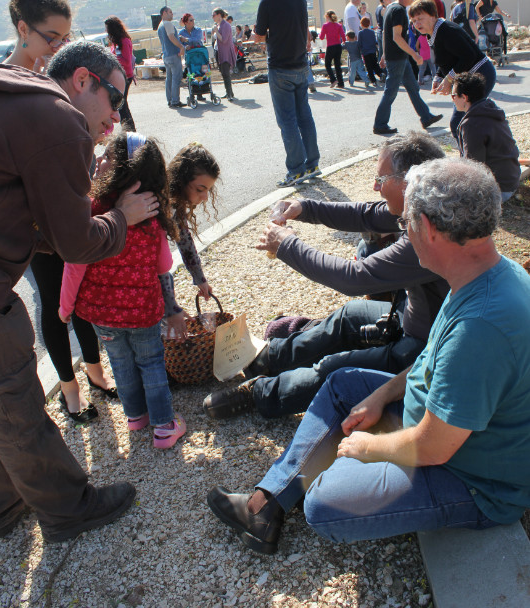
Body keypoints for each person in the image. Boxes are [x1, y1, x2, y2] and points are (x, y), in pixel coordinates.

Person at [207, 158, 530, 555]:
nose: (401, 233)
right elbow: (432, 357)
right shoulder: (487, 272)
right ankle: (264, 506)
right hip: (447, 431)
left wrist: (367, 448)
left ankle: (284, 497)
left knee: (324, 505)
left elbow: (434, 447)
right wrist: (383, 395)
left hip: (476, 480)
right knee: (345, 383)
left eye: (406, 223)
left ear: (426, 228)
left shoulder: (479, 328)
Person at [0, 36, 160, 543]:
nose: (116, 118)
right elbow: (75, 245)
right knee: (16, 406)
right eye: (115, 99)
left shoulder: (20, 84)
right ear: (83, 81)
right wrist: (121, 215)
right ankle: (69, 510)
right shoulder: (62, 117)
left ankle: (6, 506)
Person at [203, 131, 449, 421]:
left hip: (425, 349)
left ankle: (260, 393)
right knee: (347, 317)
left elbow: (355, 278)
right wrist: (305, 208)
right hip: (409, 315)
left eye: (381, 180)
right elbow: (365, 215)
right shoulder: (429, 204)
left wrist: (286, 245)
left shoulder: (430, 233)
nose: (374, 186)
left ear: (410, 181)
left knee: (336, 368)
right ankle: (269, 358)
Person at [3, 0, 114, 424]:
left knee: (79, 294)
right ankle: (70, 390)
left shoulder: (51, 80)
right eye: (52, 37)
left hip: (66, 208)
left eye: (64, 39)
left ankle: (93, 372)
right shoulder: (12, 89)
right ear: (22, 29)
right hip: (35, 225)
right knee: (53, 301)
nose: (57, 48)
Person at [59, 132, 186, 450]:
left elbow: (74, 266)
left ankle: (136, 418)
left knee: (120, 363)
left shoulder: (92, 211)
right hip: (142, 311)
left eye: (105, 155)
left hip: (101, 313)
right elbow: (163, 264)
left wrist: (64, 308)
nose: (98, 159)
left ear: (117, 169)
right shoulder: (151, 215)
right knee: (151, 363)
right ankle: (163, 427)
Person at [252, 0, 320, 188]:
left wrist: (259, 37)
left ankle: (296, 169)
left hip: (280, 68)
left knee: (287, 121)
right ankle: (312, 164)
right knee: (305, 117)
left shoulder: (267, 3)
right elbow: (304, 31)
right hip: (301, 65)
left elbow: (259, 37)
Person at [409, 0, 497, 138]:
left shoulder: (446, 30)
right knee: (463, 123)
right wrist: (438, 77)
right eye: (413, 20)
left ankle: (478, 155)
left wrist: (449, 78)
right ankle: (480, 153)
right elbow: (446, 59)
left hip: (479, 74)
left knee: (460, 123)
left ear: (432, 16)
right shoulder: (434, 32)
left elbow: (468, 56)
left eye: (420, 18)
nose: (416, 23)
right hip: (468, 79)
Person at [373, 0, 443, 136]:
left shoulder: (392, 8)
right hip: (398, 58)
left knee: (412, 87)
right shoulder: (398, 10)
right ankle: (380, 124)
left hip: (398, 57)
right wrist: (415, 54)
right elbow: (397, 37)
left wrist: (384, 54)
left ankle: (426, 117)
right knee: (391, 91)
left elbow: (387, 35)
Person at [166, 143, 221, 327]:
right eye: (200, 189)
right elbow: (156, 264)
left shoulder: (175, 203)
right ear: (181, 180)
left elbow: (185, 240)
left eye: (208, 190)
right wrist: (170, 307)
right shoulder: (157, 207)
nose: (205, 197)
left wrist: (200, 278)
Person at [452, 73, 520, 200]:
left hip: (498, 190)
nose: (452, 99)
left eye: (454, 95)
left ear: (464, 97)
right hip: (511, 179)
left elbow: (473, 166)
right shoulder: (490, 110)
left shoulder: (472, 124)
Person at [105, 15, 136, 131]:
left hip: (126, 76)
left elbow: (127, 61)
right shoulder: (115, 42)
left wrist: (112, 59)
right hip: (119, 75)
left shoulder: (124, 41)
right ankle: (128, 129)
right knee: (122, 105)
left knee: (122, 105)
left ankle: (129, 130)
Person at [157, 6, 185, 109]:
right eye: (170, 12)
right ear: (164, 13)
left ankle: (170, 100)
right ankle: (175, 100)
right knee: (176, 78)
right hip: (173, 55)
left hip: (166, 55)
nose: (172, 14)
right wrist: (181, 46)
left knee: (169, 79)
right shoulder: (168, 23)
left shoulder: (160, 25)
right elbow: (171, 37)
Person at [212, 7, 236, 101]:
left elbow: (224, 39)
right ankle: (229, 92)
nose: (212, 17)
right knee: (223, 72)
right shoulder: (218, 25)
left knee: (226, 73)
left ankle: (229, 94)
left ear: (219, 15)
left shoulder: (225, 25)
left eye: (213, 15)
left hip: (225, 52)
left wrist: (216, 31)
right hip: (219, 51)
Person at [319, 10, 346, 88]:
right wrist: (344, 41)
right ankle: (341, 83)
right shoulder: (339, 25)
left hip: (330, 46)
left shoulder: (325, 26)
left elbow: (321, 37)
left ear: (327, 17)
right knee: (337, 65)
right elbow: (343, 35)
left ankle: (333, 79)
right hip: (338, 46)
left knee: (327, 64)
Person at [358, 17, 383, 84]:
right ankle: (380, 73)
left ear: (361, 24)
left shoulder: (360, 33)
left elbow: (359, 43)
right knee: (375, 64)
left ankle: (373, 80)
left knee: (368, 66)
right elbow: (374, 41)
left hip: (365, 52)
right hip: (373, 50)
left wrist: (360, 50)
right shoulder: (372, 32)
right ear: (369, 24)